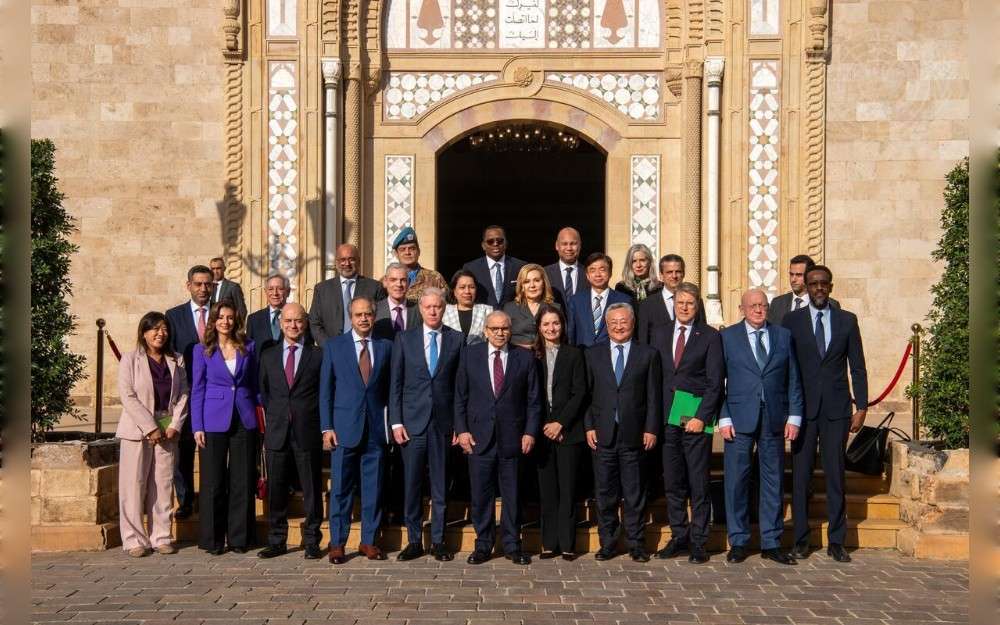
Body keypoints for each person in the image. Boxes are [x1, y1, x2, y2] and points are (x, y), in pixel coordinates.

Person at [783, 265, 868, 563]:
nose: (818, 288)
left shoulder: (847, 321)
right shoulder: (791, 321)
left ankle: (836, 541)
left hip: (836, 411)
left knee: (835, 476)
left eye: (823, 284)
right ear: (805, 287)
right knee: (800, 476)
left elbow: (857, 366)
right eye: (813, 284)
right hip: (803, 412)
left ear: (831, 287)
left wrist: (863, 407)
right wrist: (787, 410)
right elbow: (786, 367)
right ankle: (801, 540)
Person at [719, 289, 803, 565]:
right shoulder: (727, 337)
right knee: (736, 481)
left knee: (773, 480)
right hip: (739, 419)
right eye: (753, 306)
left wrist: (794, 416)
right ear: (742, 308)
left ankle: (771, 541)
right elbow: (717, 382)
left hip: (774, 419)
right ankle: (739, 541)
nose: (758, 310)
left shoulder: (782, 336)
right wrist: (724, 416)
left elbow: (793, 378)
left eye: (763, 306)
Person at [454, 310, 541, 565]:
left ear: (510, 330)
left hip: (512, 437)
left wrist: (530, 432)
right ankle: (483, 545)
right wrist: (462, 430)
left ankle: (513, 545)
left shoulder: (523, 358)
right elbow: (460, 397)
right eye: (495, 329)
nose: (500, 333)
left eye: (504, 328)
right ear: (486, 331)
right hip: (479, 437)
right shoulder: (470, 355)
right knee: (481, 495)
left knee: (512, 495)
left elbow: (534, 402)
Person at [388, 288, 464, 562]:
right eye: (428, 307)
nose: (433, 311)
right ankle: (413, 540)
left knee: (441, 484)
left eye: (438, 307)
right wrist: (396, 422)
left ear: (445, 309)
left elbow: (459, 386)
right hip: (412, 422)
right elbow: (395, 384)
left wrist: (459, 424)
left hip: (443, 424)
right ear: (420, 309)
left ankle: (439, 541)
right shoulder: (404, 339)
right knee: (412, 484)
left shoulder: (456, 340)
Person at [650, 283, 723, 564]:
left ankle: (699, 541)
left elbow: (715, 383)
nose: (684, 307)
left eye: (690, 303)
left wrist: (701, 417)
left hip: (694, 420)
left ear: (697, 306)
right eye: (680, 302)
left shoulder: (709, 336)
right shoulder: (659, 333)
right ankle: (679, 536)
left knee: (698, 483)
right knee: (673, 483)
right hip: (667, 420)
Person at [585, 303, 662, 562]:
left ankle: (636, 543)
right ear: (606, 326)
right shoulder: (593, 354)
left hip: (634, 433)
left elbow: (654, 396)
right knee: (605, 493)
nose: (619, 326)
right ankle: (608, 542)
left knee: (634, 492)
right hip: (603, 433)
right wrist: (589, 426)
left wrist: (651, 428)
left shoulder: (648, 354)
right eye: (613, 322)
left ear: (633, 323)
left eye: (623, 321)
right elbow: (586, 395)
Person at [320, 296, 393, 564]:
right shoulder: (335, 346)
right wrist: (326, 426)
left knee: (373, 488)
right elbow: (325, 391)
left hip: (375, 430)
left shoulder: (386, 347)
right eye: (358, 314)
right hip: (343, 429)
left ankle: (369, 541)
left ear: (374, 316)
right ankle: (337, 543)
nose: (364, 318)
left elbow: (390, 390)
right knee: (341, 488)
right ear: (351, 317)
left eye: (368, 314)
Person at [116, 312, 189, 557]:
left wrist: (174, 425)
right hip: (137, 431)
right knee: (133, 485)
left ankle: (161, 536)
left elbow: (183, 395)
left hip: (167, 432)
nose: (160, 333)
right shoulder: (130, 360)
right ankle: (134, 539)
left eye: (164, 329)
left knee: (163, 484)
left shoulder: (176, 359)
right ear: (144, 332)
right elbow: (128, 396)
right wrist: (150, 427)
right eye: (154, 329)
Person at [190, 300, 260, 555]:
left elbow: (253, 385)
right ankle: (212, 539)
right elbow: (197, 389)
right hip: (212, 419)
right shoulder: (202, 350)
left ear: (236, 320)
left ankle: (240, 539)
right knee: (213, 482)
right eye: (221, 317)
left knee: (242, 480)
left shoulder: (248, 347)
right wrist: (197, 425)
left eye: (230, 317)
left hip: (244, 417)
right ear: (214, 320)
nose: (226, 322)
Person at [256, 303, 324, 560]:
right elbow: (265, 392)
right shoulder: (268, 356)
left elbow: (322, 391)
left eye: (298, 321)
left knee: (311, 489)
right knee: (276, 488)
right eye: (288, 321)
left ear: (305, 323)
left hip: (307, 430)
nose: (293, 326)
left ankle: (312, 541)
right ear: (281, 323)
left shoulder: (317, 355)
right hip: (277, 431)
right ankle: (277, 540)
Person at [532, 305, 587, 561]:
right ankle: (548, 543)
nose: (551, 328)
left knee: (568, 489)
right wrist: (546, 425)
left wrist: (560, 423)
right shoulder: (533, 356)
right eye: (546, 324)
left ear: (562, 326)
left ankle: (567, 544)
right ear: (539, 328)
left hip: (568, 432)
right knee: (547, 491)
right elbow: (531, 396)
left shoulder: (575, 354)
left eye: (555, 323)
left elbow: (580, 393)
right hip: (541, 432)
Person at [164, 264, 214, 519]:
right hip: (185, 393)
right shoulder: (174, 316)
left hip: (213, 396)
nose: (203, 288)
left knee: (211, 451)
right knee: (182, 451)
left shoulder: (222, 314)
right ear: (189, 286)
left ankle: (210, 500)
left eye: (208, 284)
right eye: (198, 284)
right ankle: (185, 501)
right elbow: (168, 355)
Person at [309, 243, 384, 346]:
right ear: (336, 262)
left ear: (358, 261)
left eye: (351, 259)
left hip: (365, 349)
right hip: (332, 350)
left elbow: (381, 320)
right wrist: (329, 346)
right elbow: (314, 323)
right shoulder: (322, 289)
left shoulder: (374, 287)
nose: (347, 263)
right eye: (342, 260)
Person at [637, 254, 706, 344]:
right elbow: (643, 341)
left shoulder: (696, 301)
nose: (674, 276)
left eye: (678, 271)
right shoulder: (647, 305)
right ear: (661, 275)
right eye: (669, 272)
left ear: (683, 274)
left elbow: (703, 333)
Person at [567, 252, 630, 347]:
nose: (597, 274)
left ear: (610, 273)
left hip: (611, 357)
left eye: (602, 270)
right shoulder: (575, 301)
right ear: (587, 275)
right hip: (583, 356)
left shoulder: (624, 300)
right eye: (592, 270)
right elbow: (571, 334)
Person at [461, 225, 526, 309]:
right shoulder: (471, 268)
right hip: (483, 319)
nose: (495, 244)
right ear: (483, 246)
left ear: (506, 243)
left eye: (500, 241)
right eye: (490, 241)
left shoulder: (520, 266)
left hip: (513, 319)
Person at [247, 273, 313, 353]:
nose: (275, 293)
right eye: (270, 289)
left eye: (280, 289)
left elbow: (309, 348)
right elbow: (249, 351)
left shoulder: (304, 318)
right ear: (265, 292)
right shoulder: (254, 319)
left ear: (288, 292)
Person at [767, 254, 839, 326]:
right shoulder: (777, 303)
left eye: (798, 275)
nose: (793, 279)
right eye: (791, 274)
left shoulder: (831, 304)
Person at [502, 263, 559, 349]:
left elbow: (563, 338)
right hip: (517, 357)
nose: (532, 286)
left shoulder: (555, 308)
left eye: (536, 280)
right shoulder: (509, 308)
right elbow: (502, 337)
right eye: (527, 281)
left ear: (544, 283)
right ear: (521, 286)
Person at [391, 226, 449, 304]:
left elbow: (448, 305)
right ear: (396, 254)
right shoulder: (389, 280)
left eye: (412, 249)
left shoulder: (435, 278)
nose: (407, 253)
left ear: (418, 252)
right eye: (402, 249)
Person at [374, 263, 422, 340]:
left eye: (403, 280)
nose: (398, 284)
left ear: (409, 282)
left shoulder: (419, 310)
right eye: (393, 280)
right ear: (385, 282)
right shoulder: (375, 310)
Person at [544, 227, 589, 307]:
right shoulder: (544, 273)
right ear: (557, 246)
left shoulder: (589, 273)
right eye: (564, 244)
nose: (569, 248)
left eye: (573, 244)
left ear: (580, 246)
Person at [443, 269, 491, 344]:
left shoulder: (487, 311)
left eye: (471, 287)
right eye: (462, 287)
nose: (467, 291)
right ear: (454, 291)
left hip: (478, 354)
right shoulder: (444, 311)